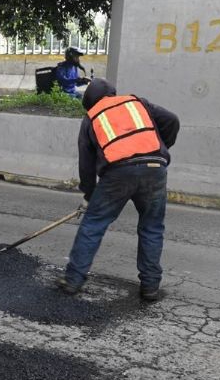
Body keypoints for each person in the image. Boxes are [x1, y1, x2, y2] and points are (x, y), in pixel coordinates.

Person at [57, 78, 180, 302]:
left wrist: (89, 194)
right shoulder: (137, 103)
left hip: (119, 173)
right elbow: (172, 120)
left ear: (90, 102)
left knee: (93, 224)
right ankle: (150, 286)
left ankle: (73, 280)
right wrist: (160, 148)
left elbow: (86, 164)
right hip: (155, 168)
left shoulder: (92, 117)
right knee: (152, 227)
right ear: (113, 93)